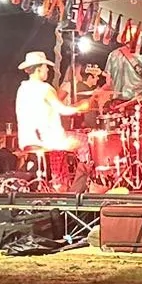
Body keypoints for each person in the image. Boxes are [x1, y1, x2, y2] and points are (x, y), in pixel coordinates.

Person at [15, 51, 89, 186]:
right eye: (45, 67)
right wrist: (80, 108)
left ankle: (58, 182)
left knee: (65, 141)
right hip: (48, 139)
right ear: (38, 69)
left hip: (27, 140)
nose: (47, 70)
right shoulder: (44, 88)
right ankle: (72, 187)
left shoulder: (22, 88)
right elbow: (62, 109)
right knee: (86, 142)